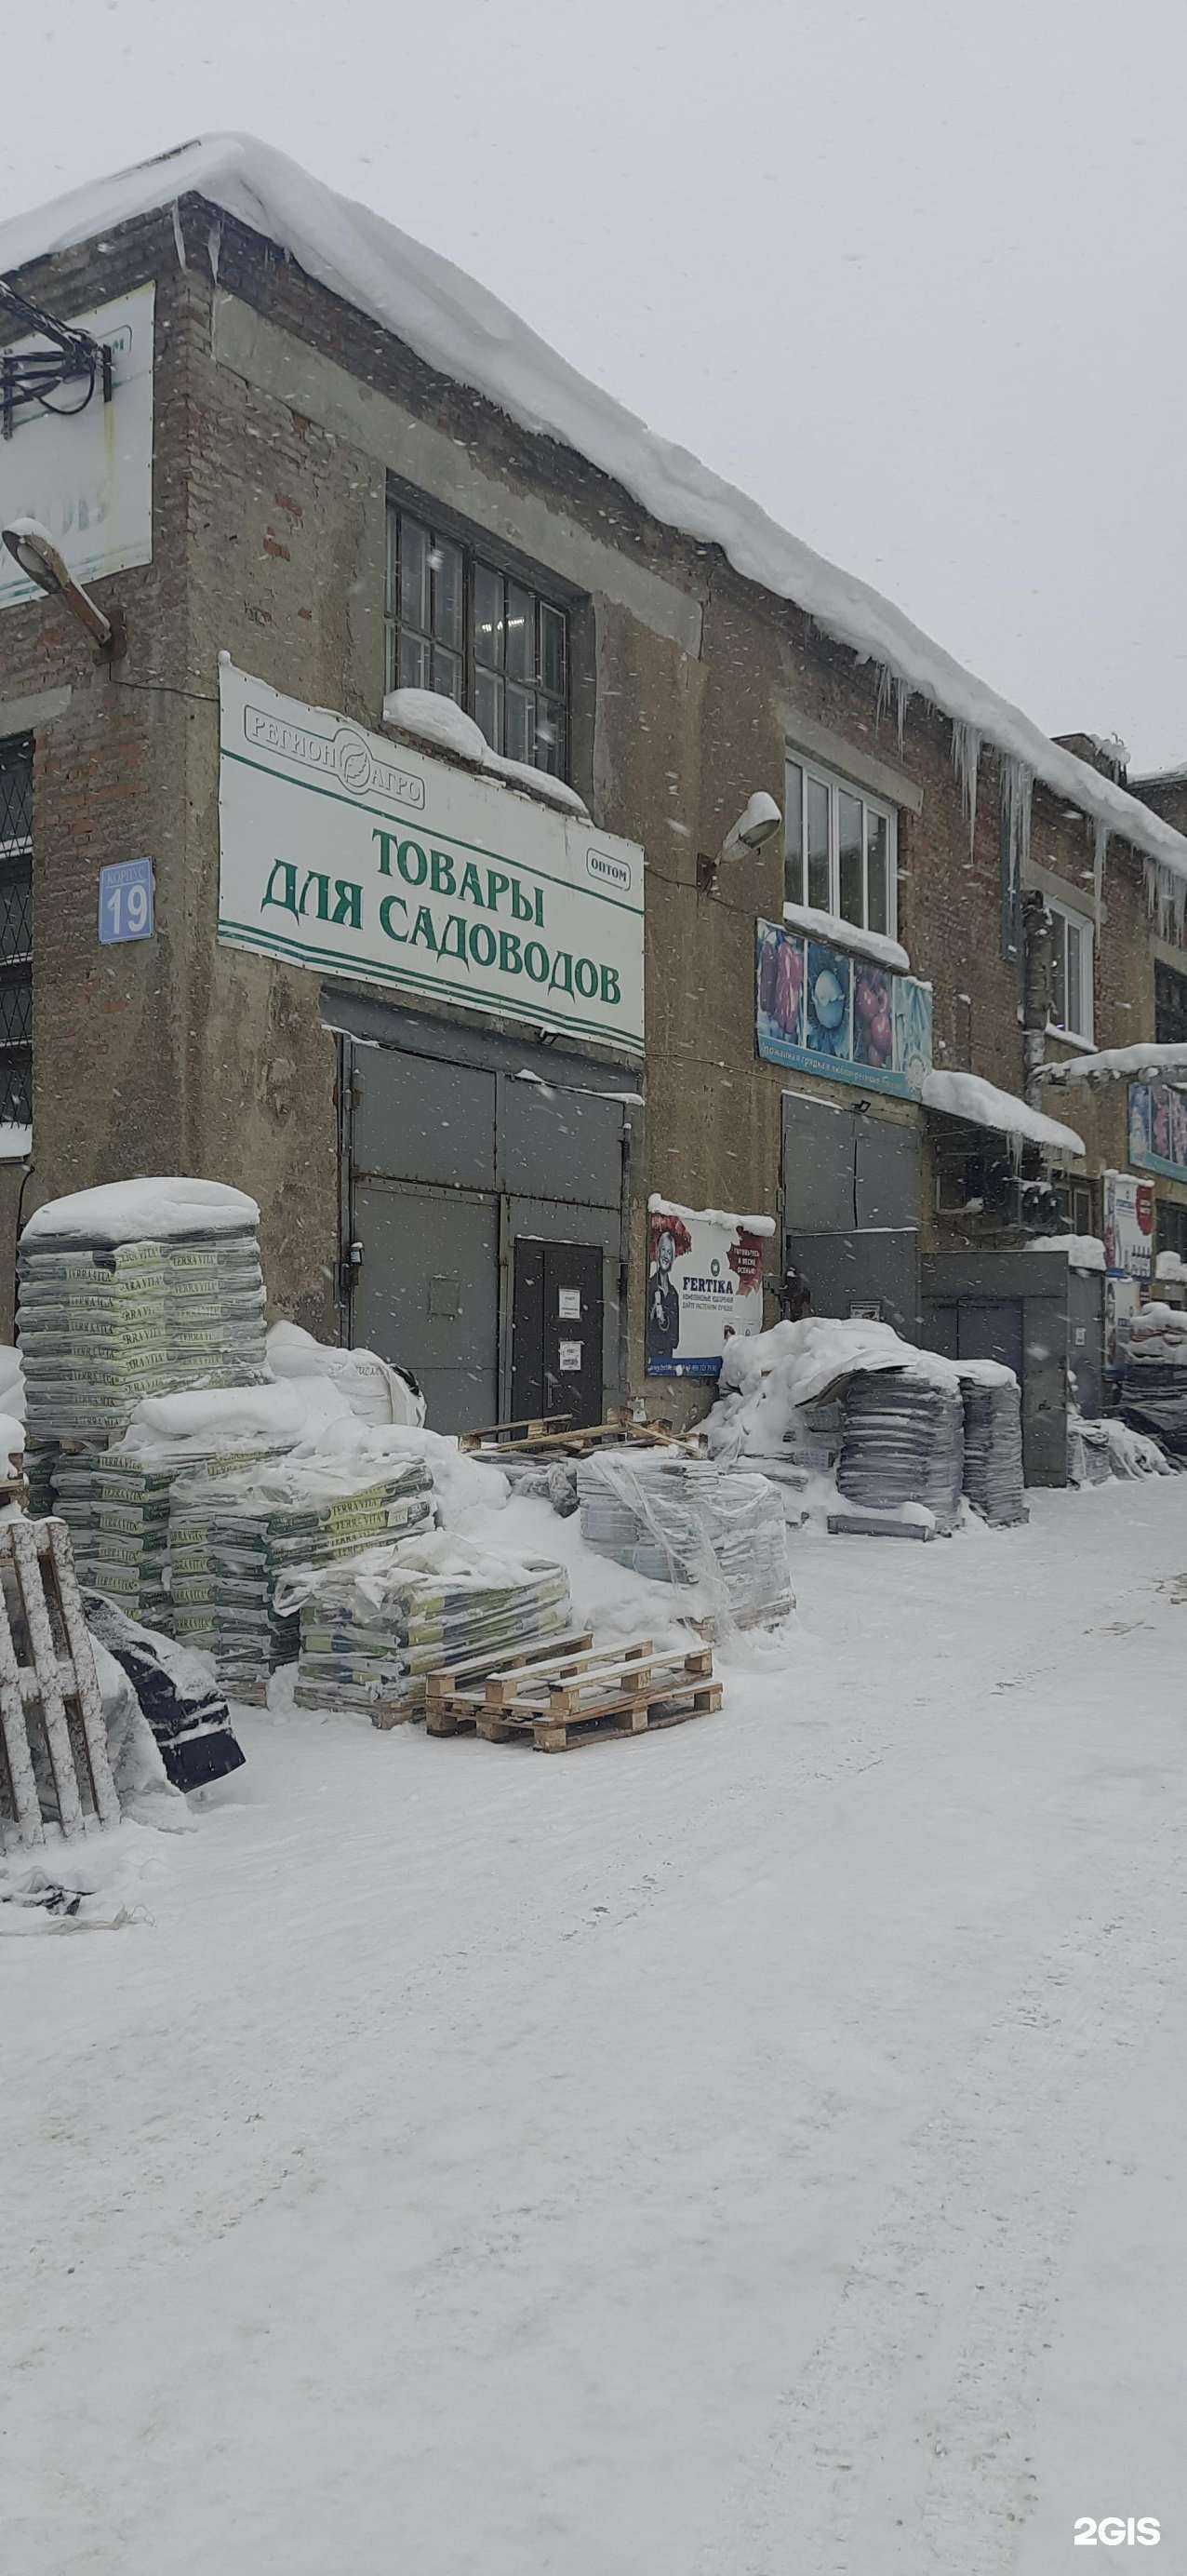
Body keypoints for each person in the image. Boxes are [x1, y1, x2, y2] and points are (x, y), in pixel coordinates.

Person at [647, 1227, 681, 1363]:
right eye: (663, 1250)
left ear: (672, 1257)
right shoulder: (650, 1286)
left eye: (669, 1252)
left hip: (668, 1356)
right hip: (652, 1355)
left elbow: (675, 1337)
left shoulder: (674, 1293)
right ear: (658, 1252)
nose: (665, 1255)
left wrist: (664, 1318)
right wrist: (654, 1310)